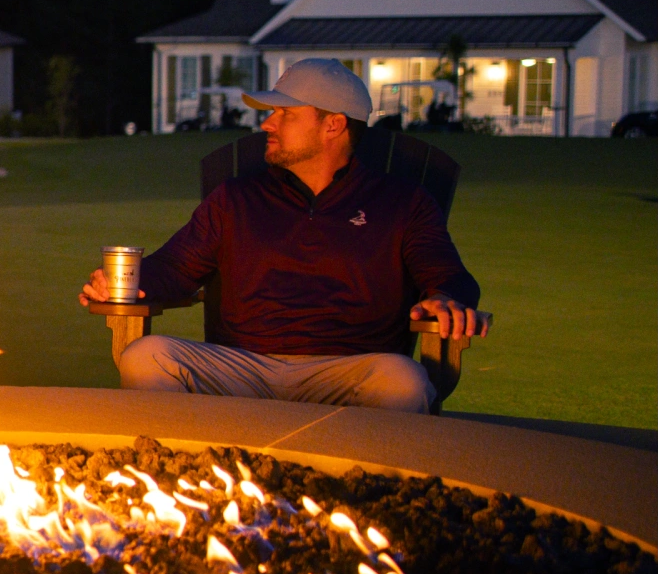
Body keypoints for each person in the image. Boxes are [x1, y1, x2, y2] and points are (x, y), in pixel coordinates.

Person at [78, 59, 487, 413]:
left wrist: (448, 298)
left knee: (405, 381)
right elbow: (175, 268)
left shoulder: (401, 204)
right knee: (146, 358)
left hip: (348, 371)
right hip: (240, 367)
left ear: (333, 125)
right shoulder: (237, 199)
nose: (267, 124)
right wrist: (122, 283)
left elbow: (449, 276)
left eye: (285, 114)